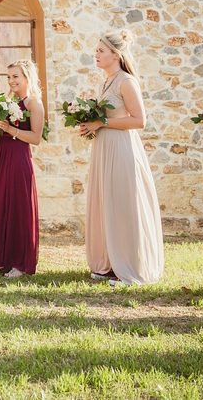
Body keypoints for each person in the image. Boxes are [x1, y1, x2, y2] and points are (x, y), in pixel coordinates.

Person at [80, 30, 164, 286]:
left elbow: (139, 120)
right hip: (105, 148)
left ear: (116, 55)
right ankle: (110, 263)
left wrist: (101, 122)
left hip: (122, 148)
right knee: (107, 203)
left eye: (101, 51)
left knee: (123, 203)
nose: (96, 54)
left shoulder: (126, 81)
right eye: (96, 50)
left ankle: (129, 265)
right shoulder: (105, 82)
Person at [0, 59, 43, 278]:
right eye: (9, 77)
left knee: (18, 207)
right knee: (2, 204)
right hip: (2, 156)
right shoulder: (6, 102)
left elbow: (36, 138)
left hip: (18, 158)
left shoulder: (33, 103)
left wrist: (10, 129)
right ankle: (3, 259)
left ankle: (20, 263)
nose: (11, 81)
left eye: (16, 76)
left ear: (27, 78)